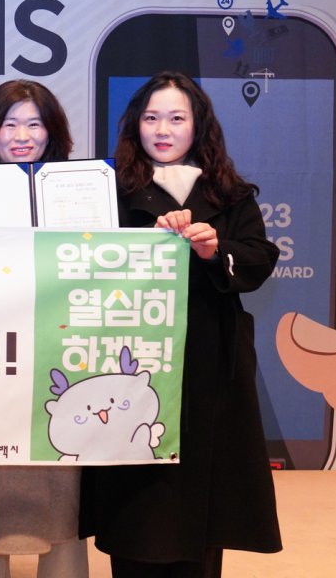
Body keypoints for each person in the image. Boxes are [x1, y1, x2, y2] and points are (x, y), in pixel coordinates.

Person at [79, 72, 282, 577]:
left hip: (207, 367)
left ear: (199, 126)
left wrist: (214, 249)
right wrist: (142, 244)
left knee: (201, 513)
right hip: (130, 365)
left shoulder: (229, 192)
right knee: (135, 509)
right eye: (151, 118)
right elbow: (78, 266)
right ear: (135, 125)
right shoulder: (108, 190)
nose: (162, 129)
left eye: (176, 118)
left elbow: (258, 260)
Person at [0, 79, 88, 578]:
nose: (22, 136)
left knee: (64, 492)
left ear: (53, 132)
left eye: (34, 124)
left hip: (60, 356)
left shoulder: (81, 192)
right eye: (9, 124)